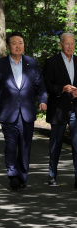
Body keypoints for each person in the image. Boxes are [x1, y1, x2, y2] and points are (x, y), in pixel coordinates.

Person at [0, 32, 47, 190]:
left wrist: (43, 100)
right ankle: (12, 175)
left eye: (21, 42)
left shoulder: (32, 63)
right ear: (8, 46)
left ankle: (22, 176)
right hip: (8, 112)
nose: (18, 46)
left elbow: (40, 84)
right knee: (11, 145)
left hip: (27, 112)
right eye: (14, 43)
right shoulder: (0, 64)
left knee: (25, 146)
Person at [43, 32, 77, 187]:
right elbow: (47, 86)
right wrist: (62, 89)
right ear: (61, 44)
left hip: (75, 109)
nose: (70, 46)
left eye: (72, 43)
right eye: (67, 43)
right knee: (55, 144)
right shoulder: (51, 62)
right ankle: (52, 175)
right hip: (58, 110)